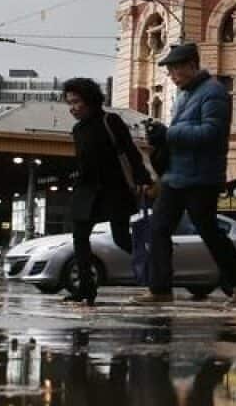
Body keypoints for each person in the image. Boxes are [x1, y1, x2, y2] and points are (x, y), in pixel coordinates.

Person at [133, 42, 236, 306]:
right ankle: (160, 289)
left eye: (175, 69)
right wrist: (163, 134)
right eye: (169, 70)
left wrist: (170, 134)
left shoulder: (213, 93)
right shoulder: (184, 94)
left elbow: (212, 133)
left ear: (191, 65)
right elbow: (184, 132)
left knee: (208, 229)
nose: (171, 75)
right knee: (159, 227)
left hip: (202, 176)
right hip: (177, 175)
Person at [62, 78, 151, 306]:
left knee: (121, 238)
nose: (72, 108)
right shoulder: (78, 129)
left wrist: (142, 178)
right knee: (80, 238)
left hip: (114, 190)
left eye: (76, 102)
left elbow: (130, 151)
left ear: (90, 100)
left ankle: (155, 271)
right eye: (69, 103)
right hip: (86, 190)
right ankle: (85, 289)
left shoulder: (110, 121)